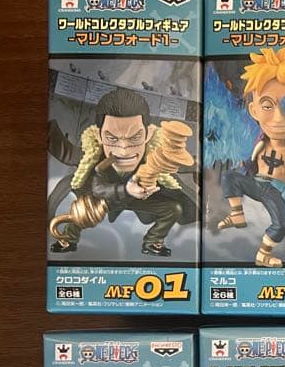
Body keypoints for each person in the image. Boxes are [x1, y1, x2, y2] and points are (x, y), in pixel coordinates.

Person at [49, 88, 197, 256]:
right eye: (112, 139)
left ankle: (153, 242)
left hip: (137, 201)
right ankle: (68, 239)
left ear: (148, 134)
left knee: (173, 209)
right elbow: (98, 187)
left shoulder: (153, 157)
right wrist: (125, 189)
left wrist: (195, 168)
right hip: (105, 200)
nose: (124, 150)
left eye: (135, 138)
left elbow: (175, 163)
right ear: (99, 136)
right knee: (81, 209)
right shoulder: (97, 159)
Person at [215, 47, 285, 267]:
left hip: (274, 191)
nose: (278, 118)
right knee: (229, 177)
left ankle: (263, 254)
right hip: (255, 182)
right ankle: (237, 215)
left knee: (282, 224)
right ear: (253, 110)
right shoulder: (257, 140)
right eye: (267, 106)